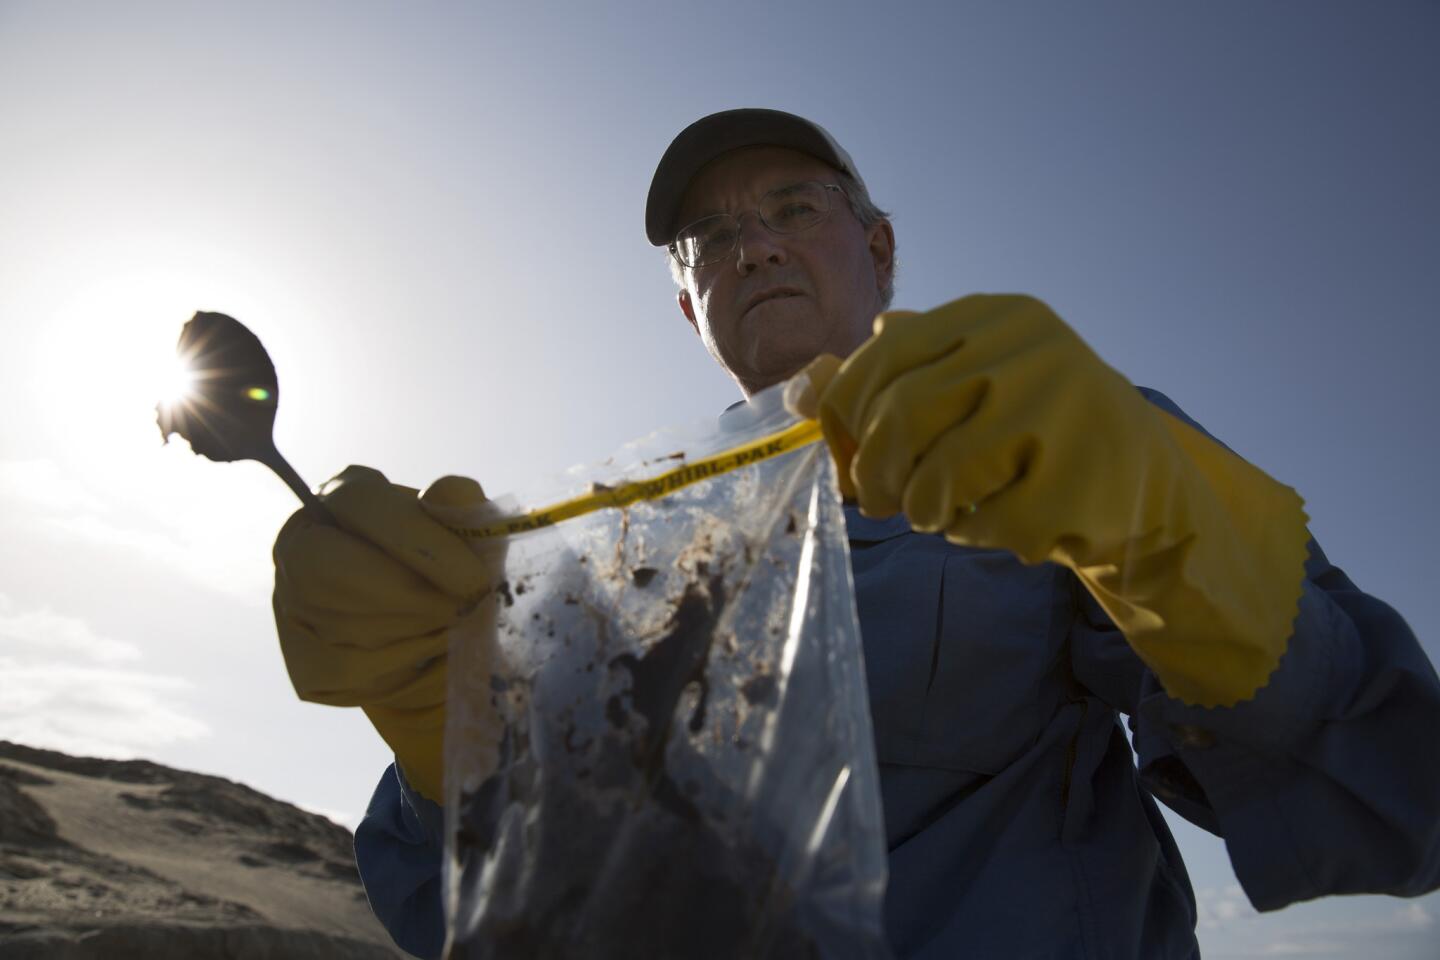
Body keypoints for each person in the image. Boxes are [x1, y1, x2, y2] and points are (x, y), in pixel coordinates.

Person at [271, 109, 1440, 959]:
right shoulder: (601, 551)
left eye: (794, 209)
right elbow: (478, 916)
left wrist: (1173, 535)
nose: (755, 247)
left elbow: (1396, 802)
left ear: (878, 249)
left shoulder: (1052, 439)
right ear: (692, 308)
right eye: (712, 241)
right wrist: (445, 735)